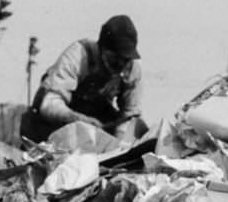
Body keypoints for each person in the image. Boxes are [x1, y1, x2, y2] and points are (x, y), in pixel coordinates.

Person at [20, 14, 145, 143]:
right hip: (57, 122)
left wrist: (120, 147)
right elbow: (49, 104)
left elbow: (130, 117)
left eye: (125, 60)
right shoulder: (78, 55)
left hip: (95, 123)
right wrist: (78, 120)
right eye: (115, 58)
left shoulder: (132, 68)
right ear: (102, 49)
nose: (120, 64)